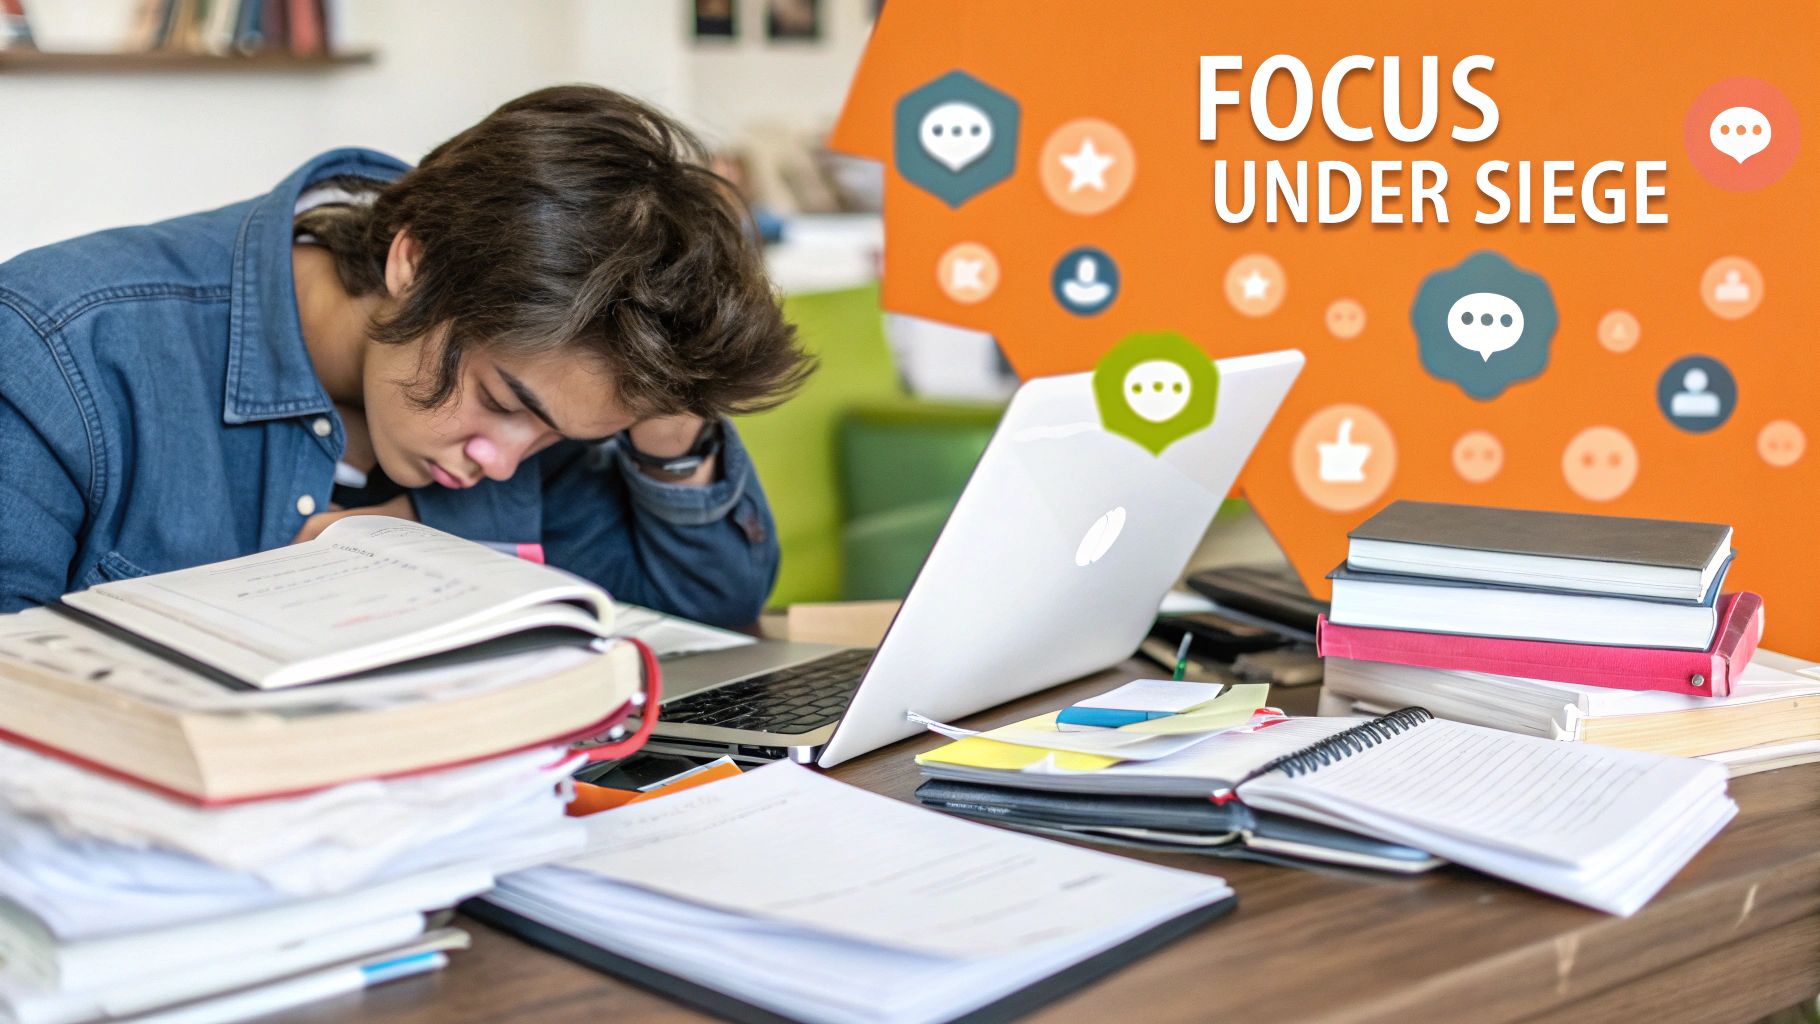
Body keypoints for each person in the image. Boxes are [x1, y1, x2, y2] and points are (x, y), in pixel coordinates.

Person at [0, 85, 812, 625]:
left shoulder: (550, 383)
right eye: (501, 402)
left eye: (561, 435)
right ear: (413, 262)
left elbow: (706, 614)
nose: (503, 465)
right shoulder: (59, 346)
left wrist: (663, 420)